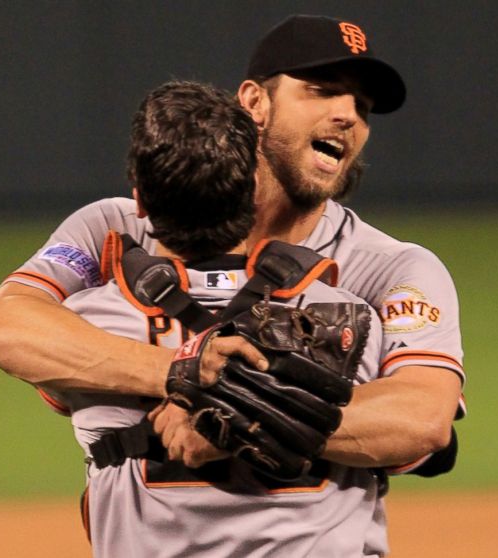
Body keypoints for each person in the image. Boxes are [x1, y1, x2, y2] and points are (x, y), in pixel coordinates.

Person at [0, 14, 462, 493]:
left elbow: (424, 420)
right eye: (322, 90)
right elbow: (3, 327)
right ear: (255, 101)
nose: (348, 114)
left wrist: (232, 418)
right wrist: (180, 373)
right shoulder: (118, 227)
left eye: (363, 105)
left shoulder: (390, 266)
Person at [45, 79, 388, 556]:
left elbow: (29, 355)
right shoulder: (350, 321)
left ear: (140, 202)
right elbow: (415, 440)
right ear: (252, 191)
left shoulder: (85, 323)